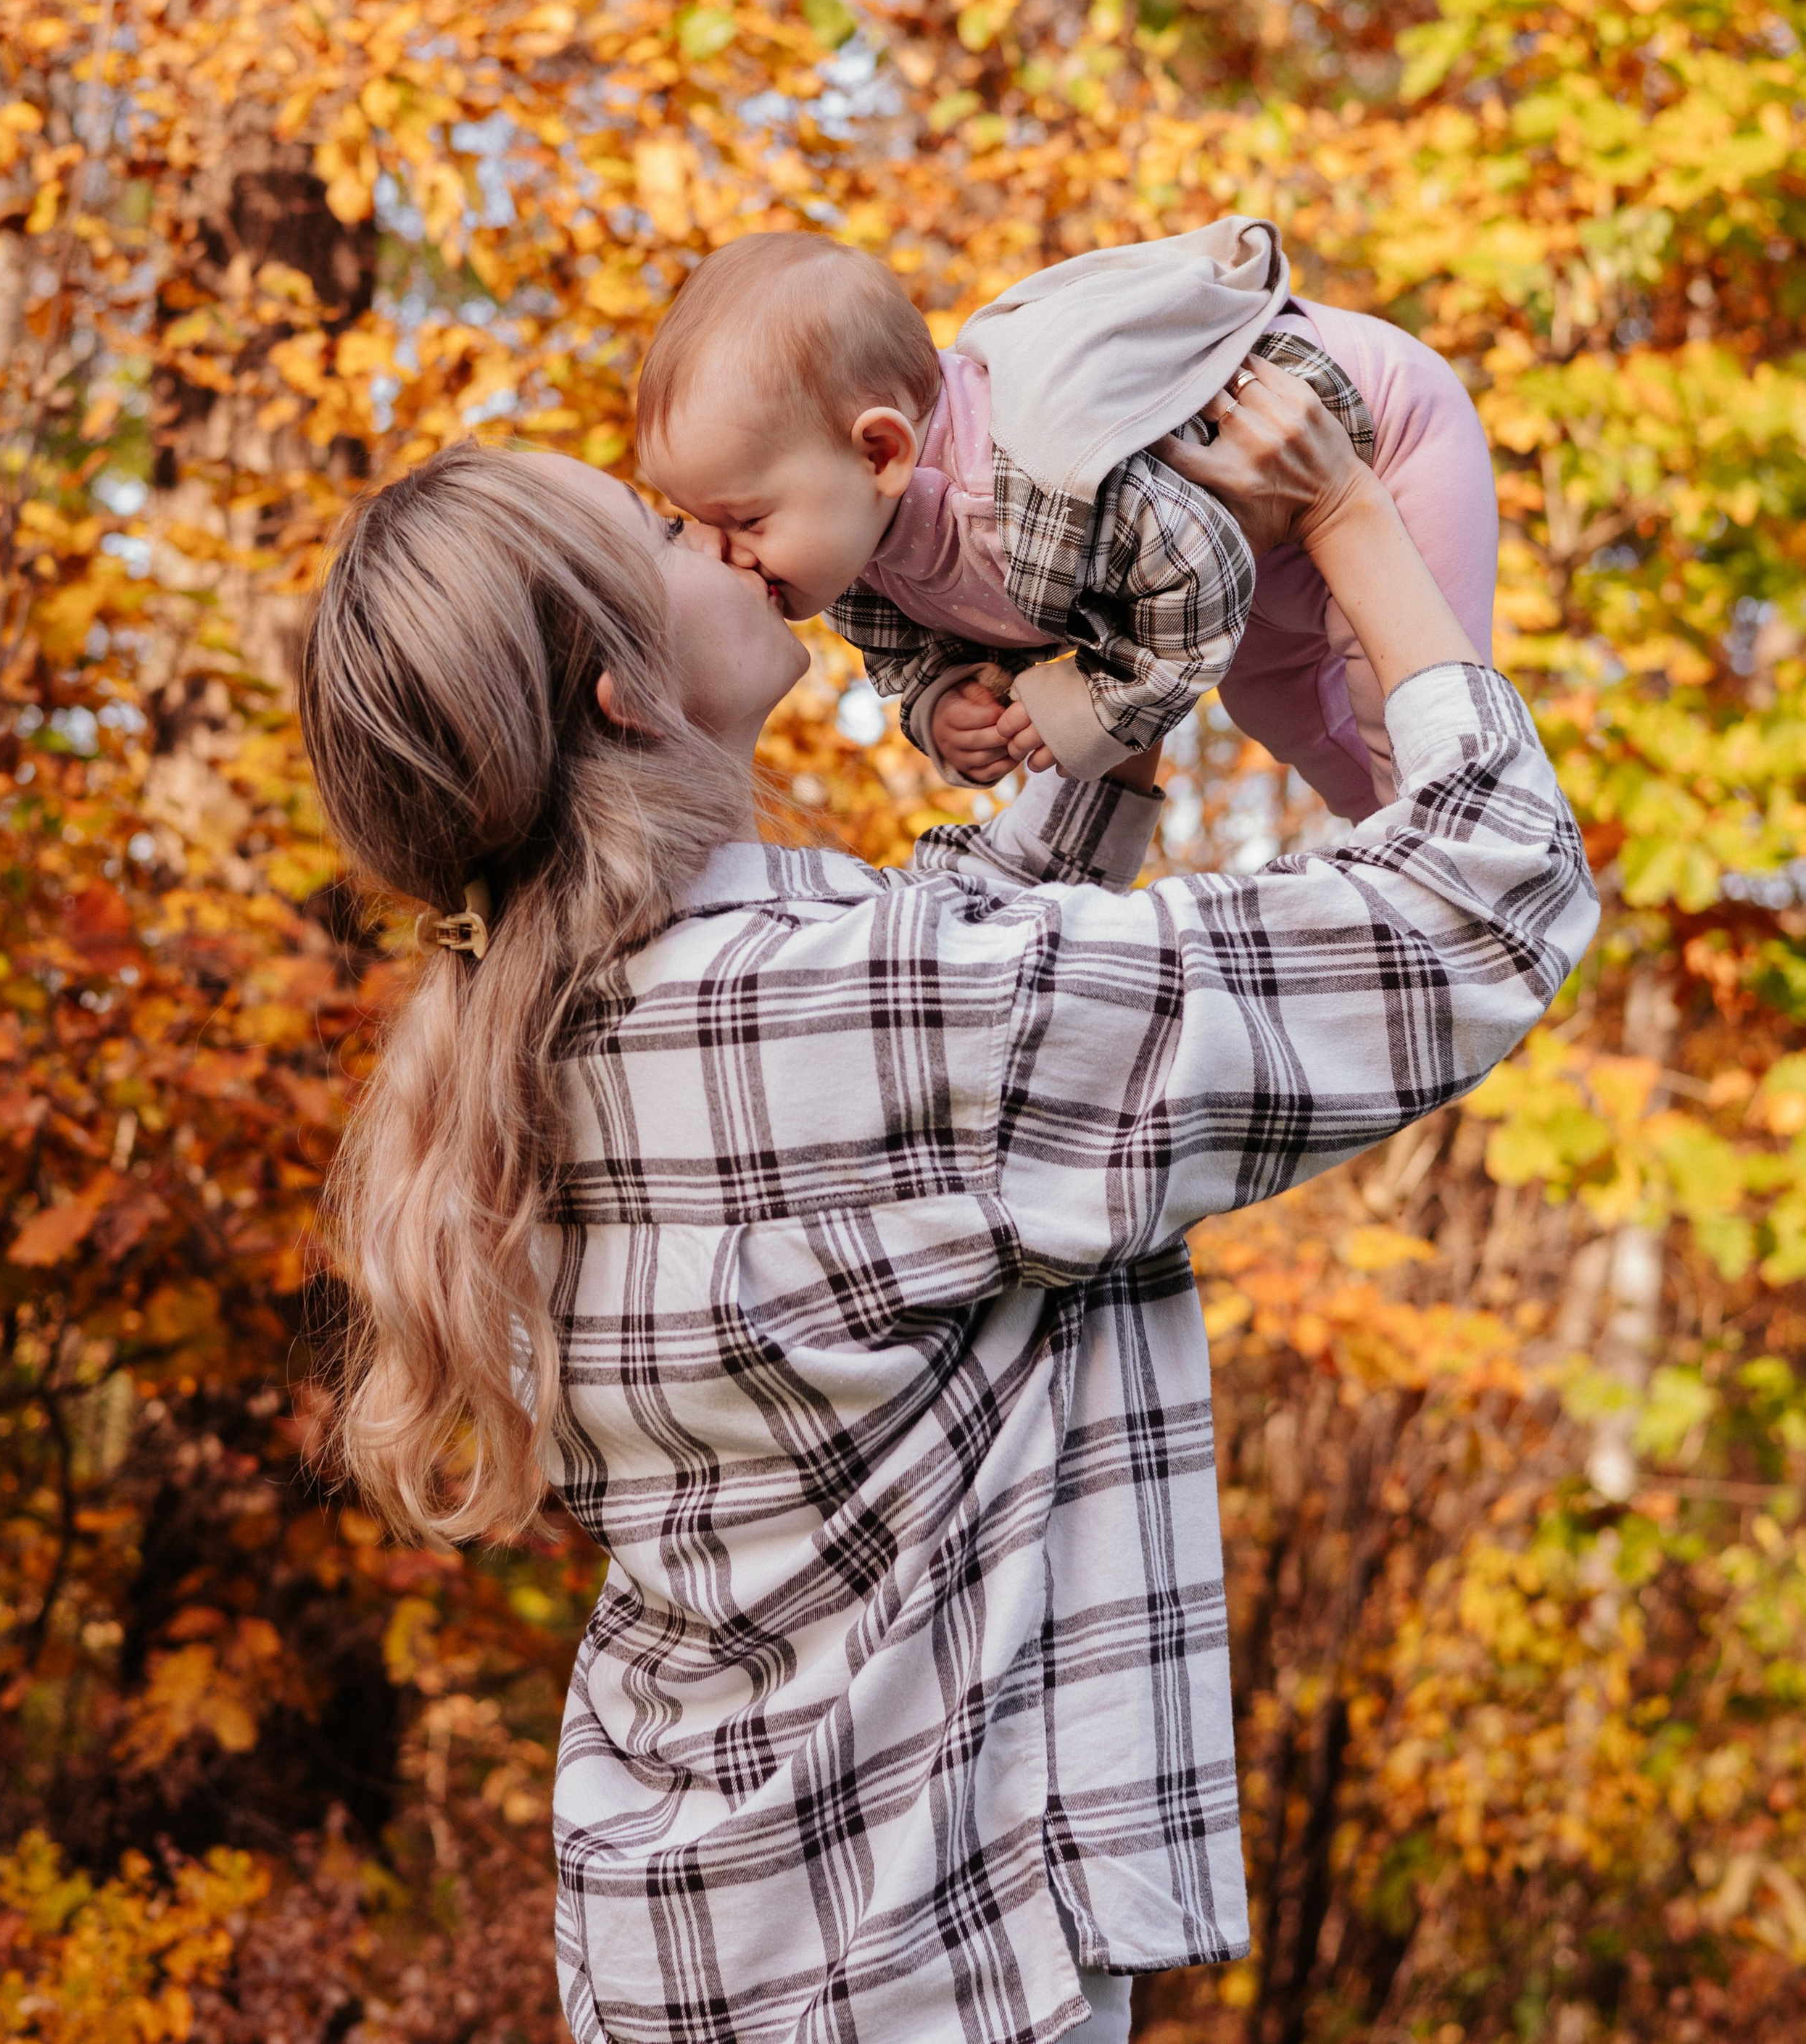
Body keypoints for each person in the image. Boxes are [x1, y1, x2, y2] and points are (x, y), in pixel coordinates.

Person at [297, 370, 1594, 2044]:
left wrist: (1110, 633)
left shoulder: (539, 1020)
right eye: (659, 528)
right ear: (622, 685)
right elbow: (1484, 903)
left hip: (687, 1943)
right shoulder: (838, 1007)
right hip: (911, 1976)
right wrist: (1346, 511)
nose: (710, 528)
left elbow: (968, 955)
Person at [634, 224, 1496, 818]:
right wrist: (940, 706)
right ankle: (1394, 856)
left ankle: (1449, 849)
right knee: (1278, 707)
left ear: (881, 453)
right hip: (1252, 546)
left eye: (742, 517)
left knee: (1402, 704)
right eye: (690, 521)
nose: (719, 550)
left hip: (1371, 435)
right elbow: (905, 655)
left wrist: (1096, 703)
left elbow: (1200, 573)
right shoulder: (850, 551)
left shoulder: (1030, 478)